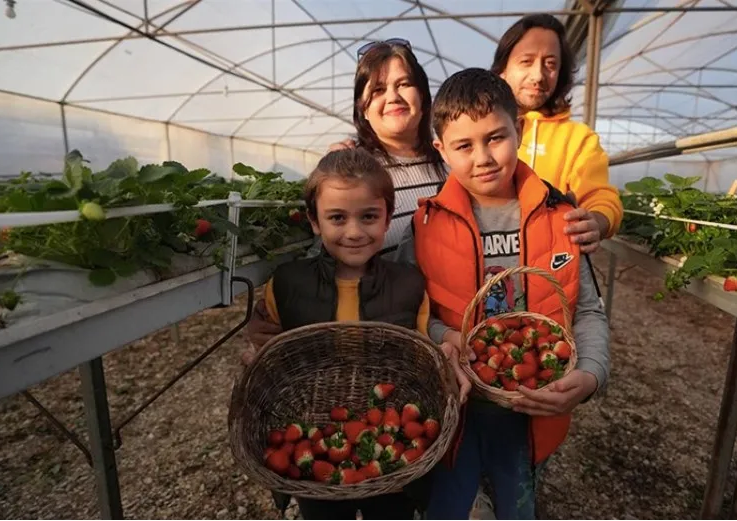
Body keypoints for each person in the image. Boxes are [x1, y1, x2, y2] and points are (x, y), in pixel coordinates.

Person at [395, 67, 610, 519]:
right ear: (441, 150)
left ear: (521, 129)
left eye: (496, 137)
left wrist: (589, 376)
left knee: (520, 500)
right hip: (457, 407)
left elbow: (587, 309)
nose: (483, 157)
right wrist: (442, 338)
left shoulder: (561, 218)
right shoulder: (426, 227)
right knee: (449, 504)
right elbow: (415, 313)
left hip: (535, 407)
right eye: (463, 145)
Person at [247, 148, 470, 520]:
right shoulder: (287, 285)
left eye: (368, 217)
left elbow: (422, 350)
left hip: (391, 439)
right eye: (337, 217)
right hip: (313, 437)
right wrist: (256, 357)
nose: (354, 232)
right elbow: (267, 342)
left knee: (391, 513)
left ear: (387, 219)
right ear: (314, 221)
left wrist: (445, 351)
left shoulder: (409, 285)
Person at [244, 37, 446, 358]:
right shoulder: (352, 170)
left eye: (404, 84)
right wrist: (277, 311)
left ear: (423, 95)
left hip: (443, 328)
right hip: (380, 336)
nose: (392, 96)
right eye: (377, 90)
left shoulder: (451, 166)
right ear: (362, 109)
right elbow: (323, 260)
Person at [492, 13, 623, 254]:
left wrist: (597, 221)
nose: (539, 75)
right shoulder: (481, 125)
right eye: (526, 61)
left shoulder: (578, 139)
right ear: (502, 69)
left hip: (552, 268)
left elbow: (600, 195)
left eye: (550, 64)